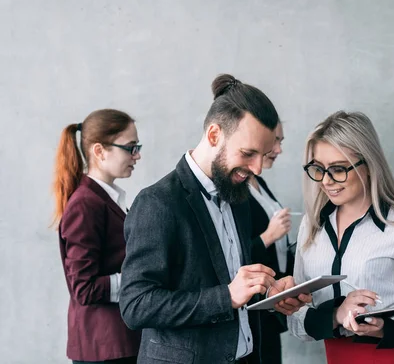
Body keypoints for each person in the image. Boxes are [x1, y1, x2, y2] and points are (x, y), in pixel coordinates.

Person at [119, 74, 309, 364]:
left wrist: (271, 293)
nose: (257, 168)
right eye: (248, 153)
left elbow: (232, 283)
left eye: (264, 155)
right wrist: (227, 297)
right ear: (213, 135)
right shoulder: (157, 202)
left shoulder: (238, 196)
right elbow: (135, 305)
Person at [287, 111, 394, 364]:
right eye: (318, 169)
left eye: (338, 169)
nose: (326, 181)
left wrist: (383, 328)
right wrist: (337, 314)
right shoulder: (311, 225)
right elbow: (296, 321)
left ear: (369, 165)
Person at [52, 109, 142, 363]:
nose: (137, 155)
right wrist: (139, 282)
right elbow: (84, 288)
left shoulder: (104, 198)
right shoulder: (85, 204)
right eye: (130, 147)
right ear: (100, 151)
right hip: (104, 347)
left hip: (117, 342)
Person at [247, 121, 294, 364]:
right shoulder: (234, 189)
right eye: (275, 141)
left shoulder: (259, 183)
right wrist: (270, 236)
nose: (279, 149)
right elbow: (231, 253)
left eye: (280, 141)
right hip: (254, 302)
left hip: (273, 298)